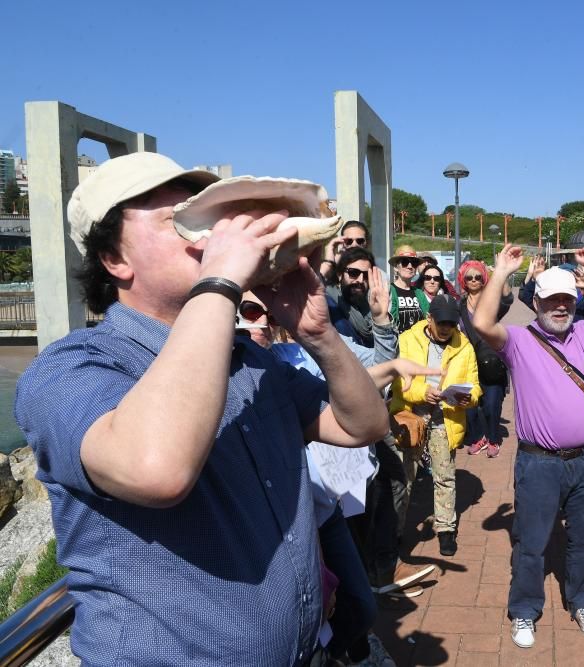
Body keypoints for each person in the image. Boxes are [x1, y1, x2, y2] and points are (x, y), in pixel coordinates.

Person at [15, 153, 389, 665]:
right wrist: (220, 284)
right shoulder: (69, 369)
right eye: (180, 220)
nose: (211, 233)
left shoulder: (253, 360)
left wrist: (318, 335)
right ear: (115, 260)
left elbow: (364, 425)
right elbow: (157, 470)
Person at [239, 292, 435, 665]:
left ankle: (342, 648)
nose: (263, 321)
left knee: (357, 603)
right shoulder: (230, 370)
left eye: (268, 313)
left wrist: (391, 365)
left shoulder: (286, 359)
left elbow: (345, 401)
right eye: (251, 312)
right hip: (289, 515)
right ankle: (343, 651)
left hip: (327, 498)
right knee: (316, 610)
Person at [473, 244, 584, 649]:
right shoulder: (517, 340)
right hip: (539, 463)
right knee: (531, 542)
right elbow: (481, 322)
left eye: (567, 300)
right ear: (539, 301)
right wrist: (501, 273)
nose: (560, 307)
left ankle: (582, 601)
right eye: (552, 300)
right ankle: (525, 610)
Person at [390, 294, 481, 557]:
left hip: (445, 420)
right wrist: (421, 392)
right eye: (441, 322)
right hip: (411, 419)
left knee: (445, 477)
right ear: (429, 317)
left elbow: (475, 387)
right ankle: (395, 530)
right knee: (404, 478)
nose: (445, 328)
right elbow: (397, 381)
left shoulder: (464, 346)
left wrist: (468, 397)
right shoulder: (408, 340)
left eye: (451, 324)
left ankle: (446, 529)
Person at [457, 259, 514, 458]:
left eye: (478, 277)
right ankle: (477, 438)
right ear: (463, 280)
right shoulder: (459, 305)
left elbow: (507, 299)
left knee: (491, 405)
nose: (473, 280)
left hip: (491, 361)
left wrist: (502, 272)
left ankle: (493, 439)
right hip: (468, 364)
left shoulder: (492, 302)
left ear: (484, 279)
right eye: (469, 277)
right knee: (470, 408)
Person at [327, 246, 398, 356]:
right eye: (353, 273)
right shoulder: (328, 305)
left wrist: (382, 319)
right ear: (340, 274)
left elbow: (390, 350)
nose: (360, 280)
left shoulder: (373, 306)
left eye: (366, 275)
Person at [518, 255, 584, 321]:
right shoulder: (547, 302)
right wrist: (536, 279)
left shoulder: (583, 303)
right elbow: (527, 298)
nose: (561, 306)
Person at [389, 245, 430, 332]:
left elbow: (428, 319)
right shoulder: (389, 291)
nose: (410, 266)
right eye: (404, 262)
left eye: (414, 263)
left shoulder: (419, 293)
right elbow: (389, 323)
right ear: (396, 267)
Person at [321, 219, 369, 283]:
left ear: (367, 243)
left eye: (360, 241)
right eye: (349, 241)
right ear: (342, 243)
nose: (354, 245)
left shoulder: (379, 277)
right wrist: (329, 264)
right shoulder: (328, 273)